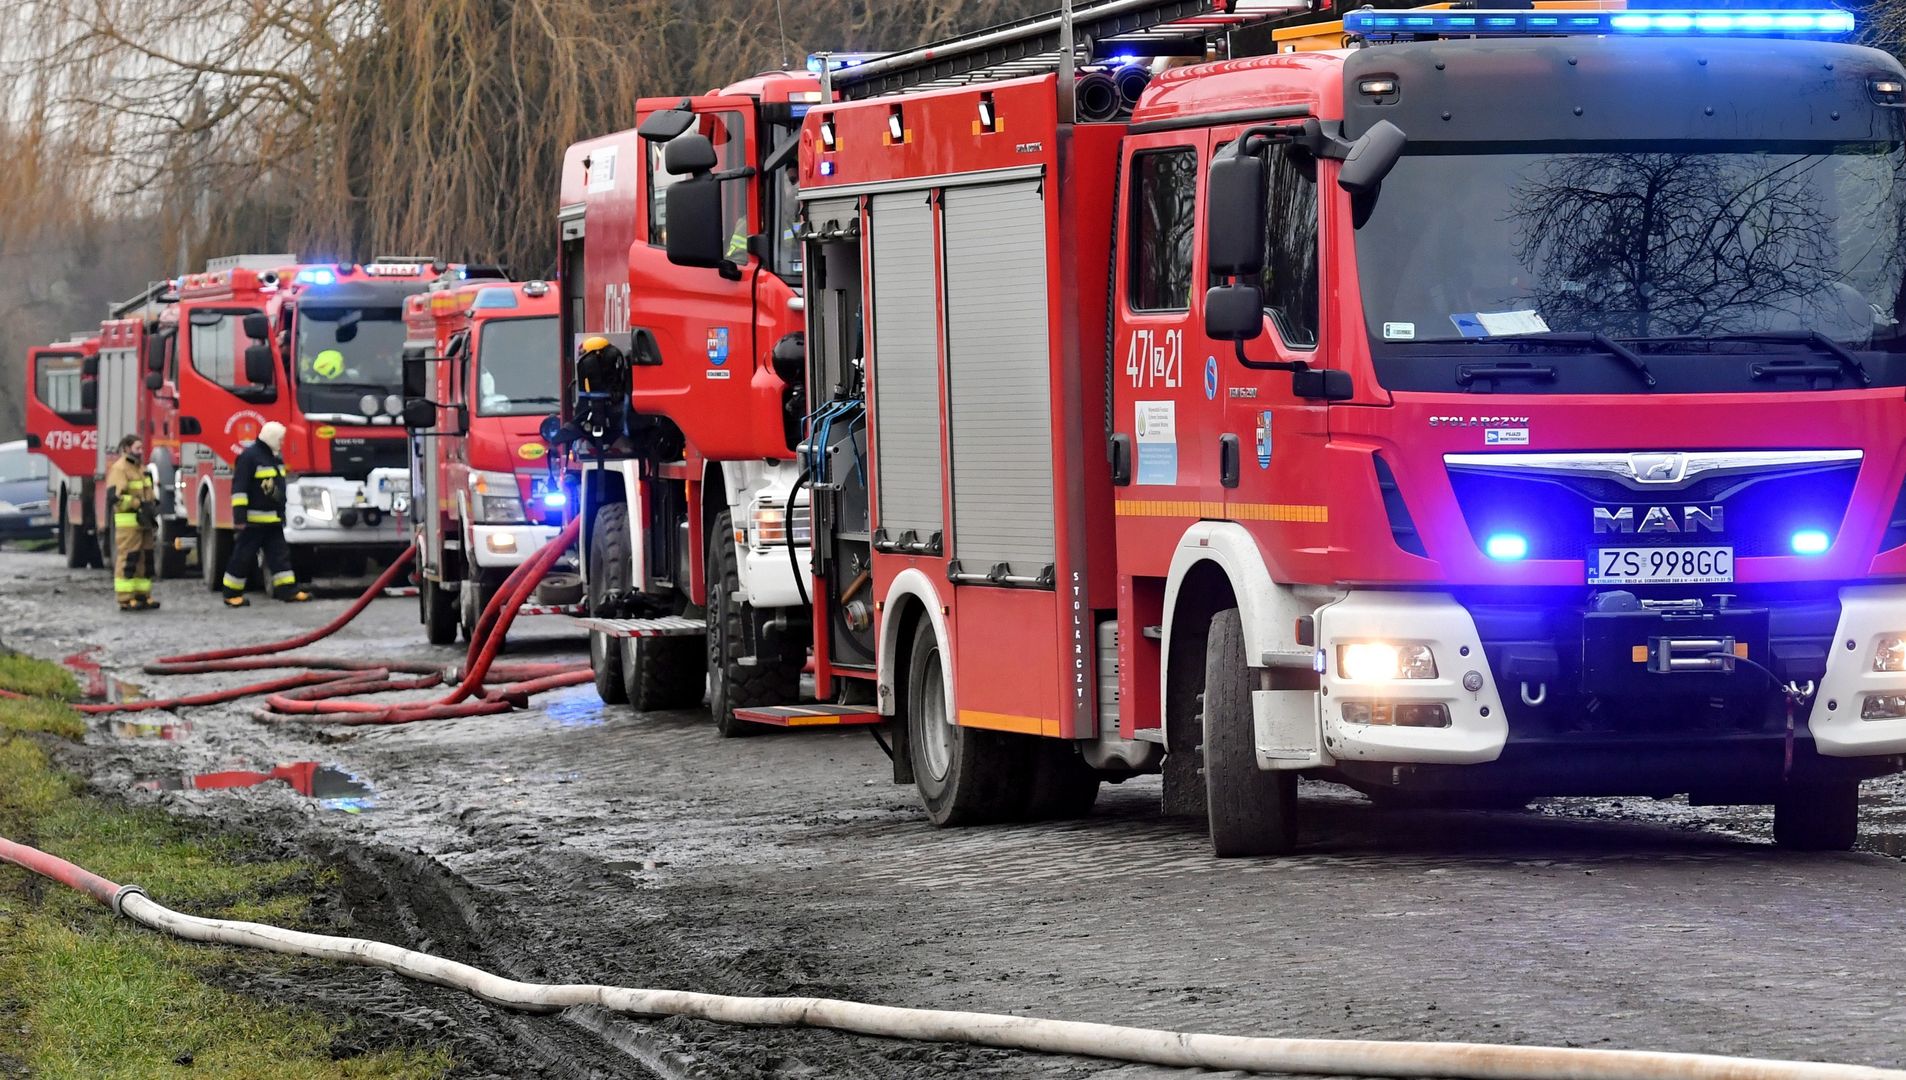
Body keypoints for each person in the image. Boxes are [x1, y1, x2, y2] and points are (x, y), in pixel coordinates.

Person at [222, 421, 313, 607]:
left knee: (280, 556)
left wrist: (281, 512)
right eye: (280, 439)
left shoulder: (274, 458)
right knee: (243, 556)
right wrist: (240, 517)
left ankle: (287, 590)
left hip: (272, 520)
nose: (282, 443)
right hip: (253, 521)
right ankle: (231, 593)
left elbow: (277, 490)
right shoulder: (249, 457)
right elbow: (239, 489)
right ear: (271, 438)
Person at [103, 434, 160, 612]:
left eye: (142, 448)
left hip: (143, 521)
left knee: (145, 558)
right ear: (127, 448)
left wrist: (152, 505)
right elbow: (115, 497)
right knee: (128, 559)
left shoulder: (141, 468)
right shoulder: (119, 469)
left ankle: (143, 595)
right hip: (128, 523)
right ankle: (125, 598)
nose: (141, 451)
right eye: (137, 448)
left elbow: (148, 491)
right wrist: (137, 504)